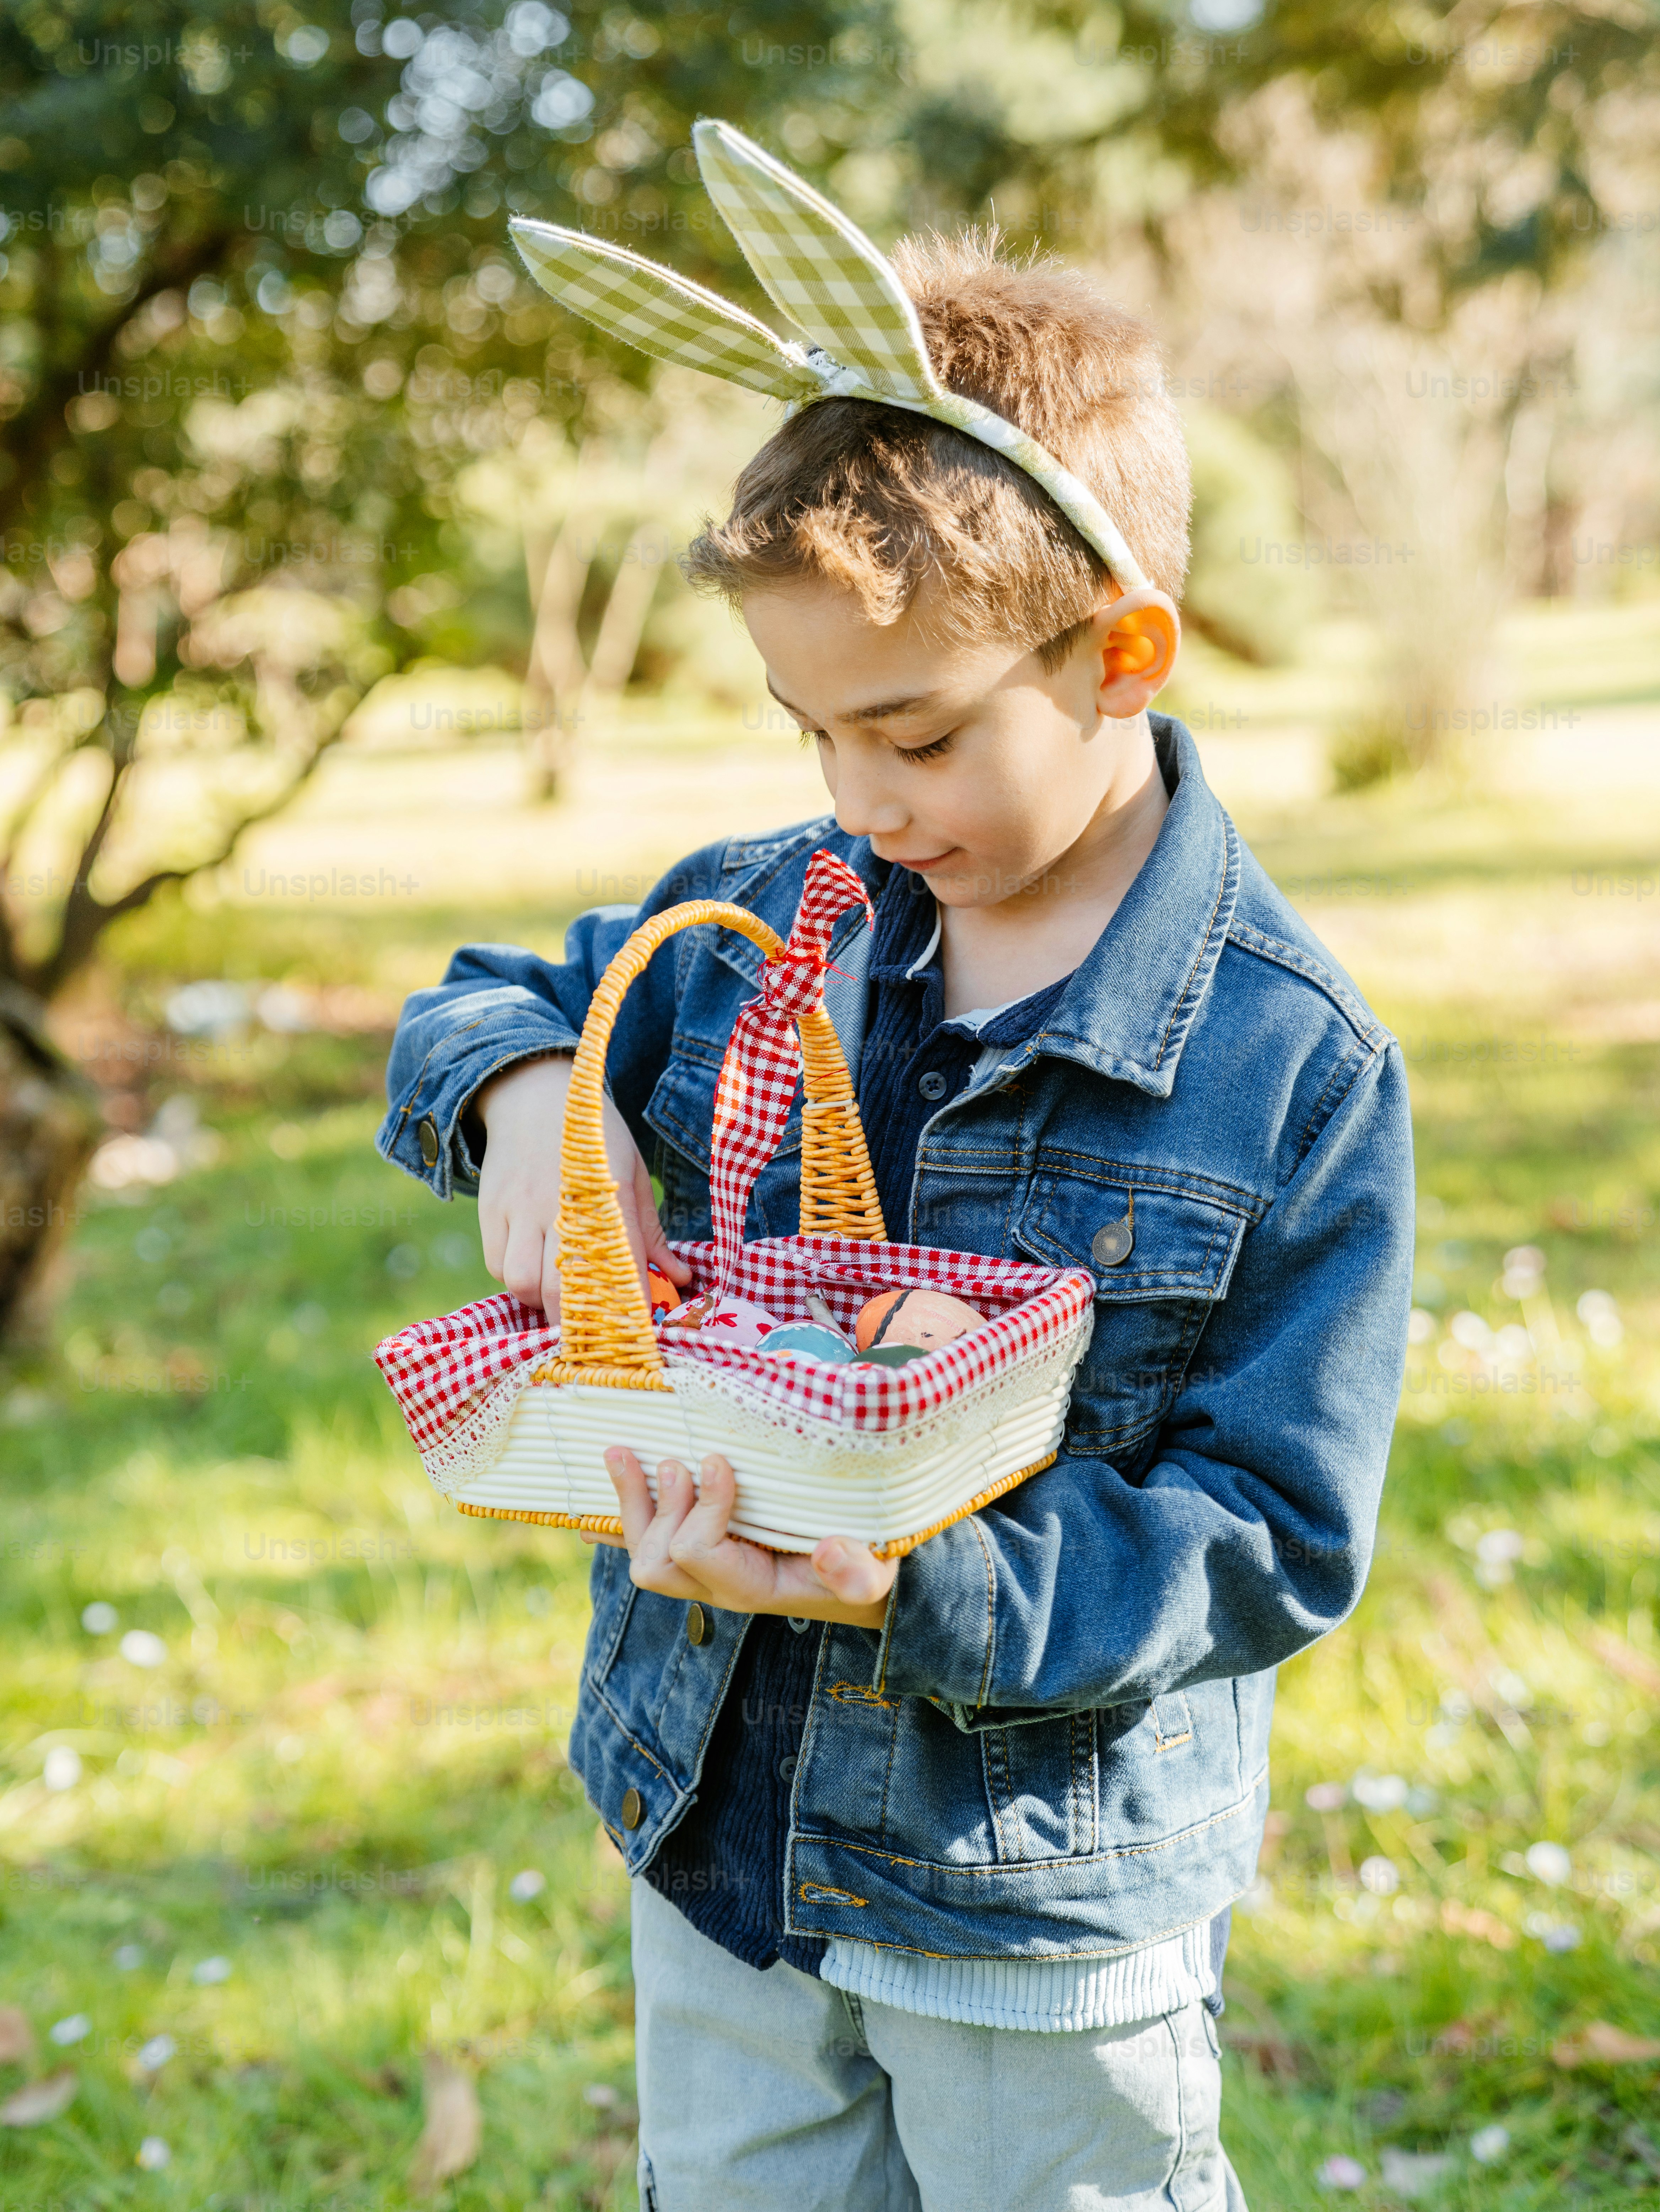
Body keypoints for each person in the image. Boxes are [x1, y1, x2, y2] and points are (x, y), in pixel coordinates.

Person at [380, 144, 1413, 2212]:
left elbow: (1271, 1530)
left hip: (1035, 1898)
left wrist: (923, 1572)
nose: (859, 797)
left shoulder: (1286, 1063)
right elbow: (486, 1000)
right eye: (814, 729)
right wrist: (531, 1103)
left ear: (1123, 656)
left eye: (919, 734)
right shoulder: (771, 920)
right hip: (717, 1822)